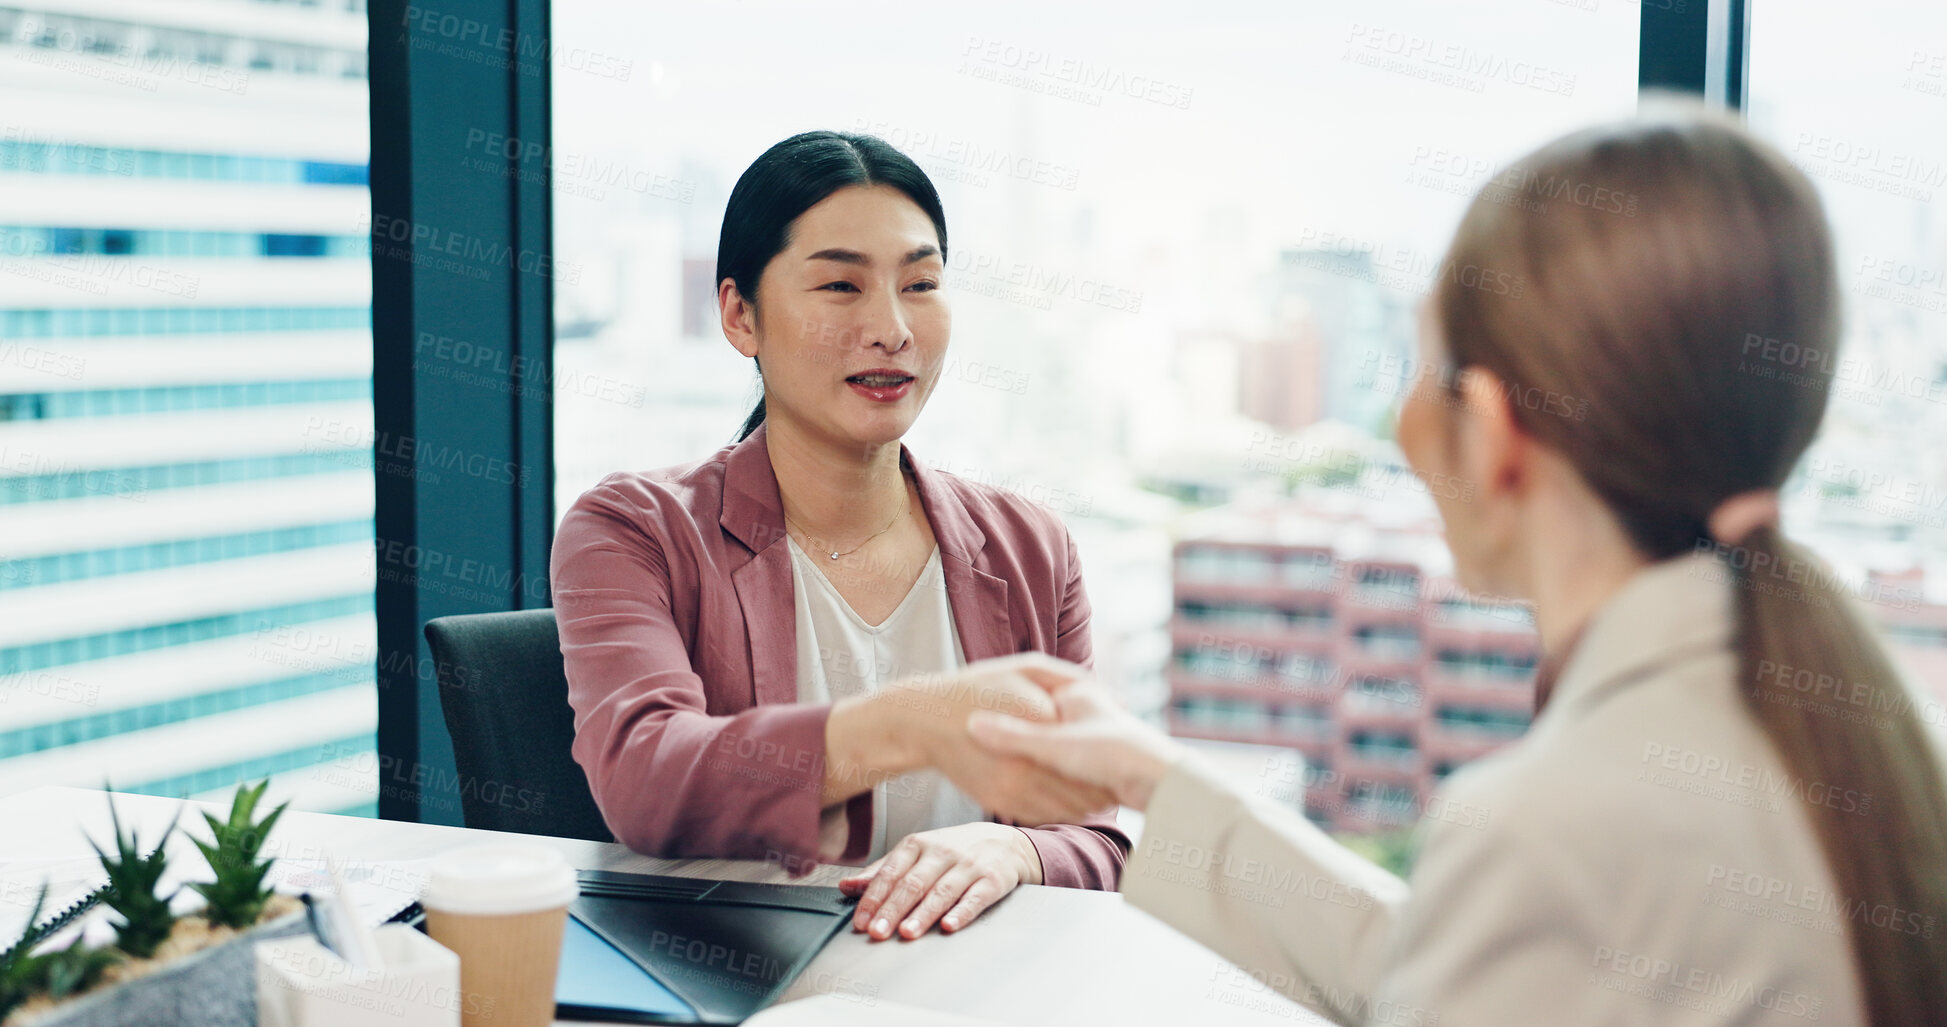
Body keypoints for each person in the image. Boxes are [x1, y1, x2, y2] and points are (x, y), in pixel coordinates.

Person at [966, 106, 1947, 1024]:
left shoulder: (1556, 823)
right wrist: (1151, 775)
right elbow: (1447, 962)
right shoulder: (1835, 728)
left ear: (1489, 430)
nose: (1403, 420)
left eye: (1420, 373)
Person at [550, 131, 1127, 943]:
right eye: (839, 285)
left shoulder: (1030, 548)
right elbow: (646, 780)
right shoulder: (632, 529)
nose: (891, 327)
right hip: (751, 983)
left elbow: (1097, 836)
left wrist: (1014, 849)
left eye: (920, 283)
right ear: (739, 315)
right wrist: (912, 722)